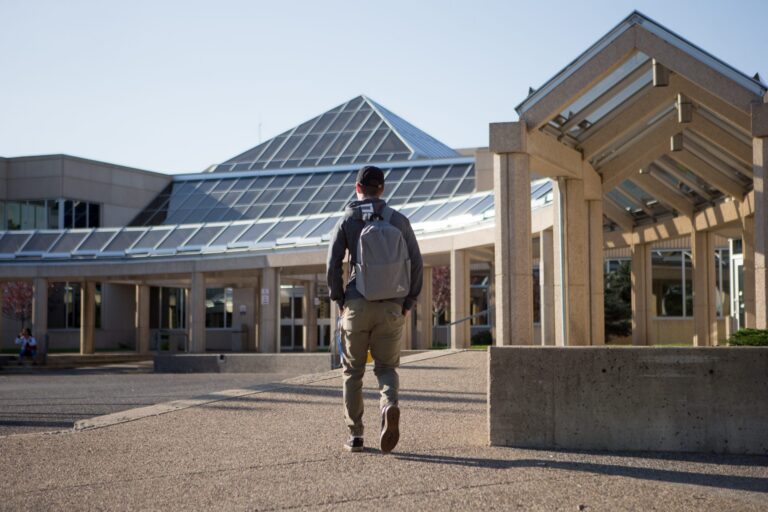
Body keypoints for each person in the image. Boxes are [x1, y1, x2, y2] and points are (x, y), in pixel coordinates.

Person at [326, 165, 423, 454]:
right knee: (386, 368)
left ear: (357, 188)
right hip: (391, 307)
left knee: (352, 371)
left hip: (356, 304)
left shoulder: (347, 219)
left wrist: (340, 300)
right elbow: (417, 263)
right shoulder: (399, 220)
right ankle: (388, 404)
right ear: (382, 189)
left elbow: (332, 264)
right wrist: (407, 303)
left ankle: (356, 435)